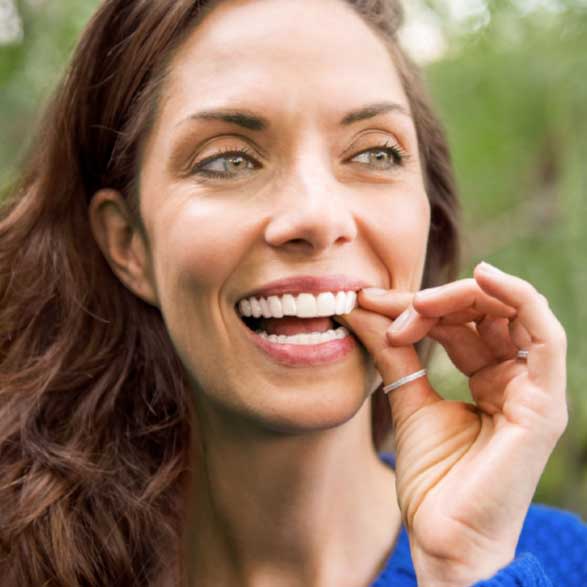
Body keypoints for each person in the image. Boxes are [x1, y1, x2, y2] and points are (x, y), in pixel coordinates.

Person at [0, 0, 585, 585]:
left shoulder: (562, 563)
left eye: (374, 153)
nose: (316, 215)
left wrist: (467, 569)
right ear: (129, 244)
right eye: (228, 160)